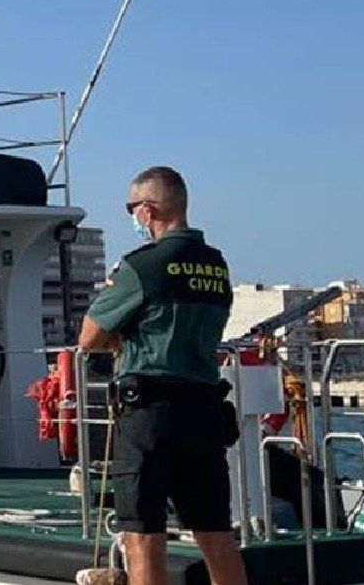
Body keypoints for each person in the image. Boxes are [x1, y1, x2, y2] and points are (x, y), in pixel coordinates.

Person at [78, 166, 246, 585]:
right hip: (204, 409)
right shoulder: (216, 266)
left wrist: (120, 337)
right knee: (216, 536)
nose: (132, 217)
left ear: (149, 208)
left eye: (131, 208)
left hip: (149, 414)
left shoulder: (143, 266)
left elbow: (89, 336)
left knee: (143, 537)